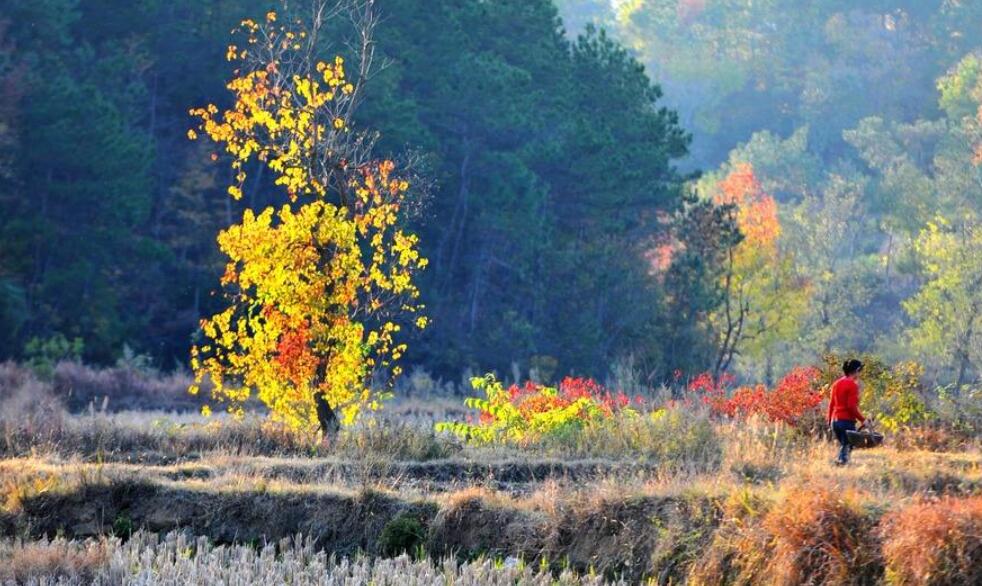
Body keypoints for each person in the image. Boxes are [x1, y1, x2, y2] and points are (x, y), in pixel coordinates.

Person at [827, 359, 866, 465]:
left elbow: (831, 404)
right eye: (860, 370)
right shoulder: (852, 385)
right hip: (846, 421)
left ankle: (840, 465)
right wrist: (863, 420)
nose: (860, 373)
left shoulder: (836, 384)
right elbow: (851, 407)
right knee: (848, 445)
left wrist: (829, 421)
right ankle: (840, 465)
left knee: (845, 445)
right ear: (856, 370)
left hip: (835, 421)